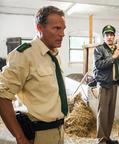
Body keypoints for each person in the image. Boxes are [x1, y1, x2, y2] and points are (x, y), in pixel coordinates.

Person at [0, 6, 67, 144]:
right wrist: (20, 137)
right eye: (56, 28)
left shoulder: (53, 54)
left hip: (59, 130)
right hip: (39, 135)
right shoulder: (24, 55)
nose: (62, 34)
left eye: (63, 29)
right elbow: (2, 95)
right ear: (39, 28)